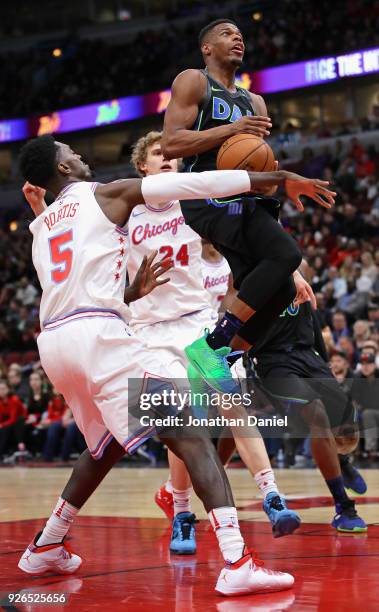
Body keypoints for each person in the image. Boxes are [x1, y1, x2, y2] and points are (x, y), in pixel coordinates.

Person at [16, 133, 321, 595]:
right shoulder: (109, 193)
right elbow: (193, 187)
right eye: (70, 153)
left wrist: (131, 293)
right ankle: (238, 561)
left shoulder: (42, 228)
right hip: (101, 338)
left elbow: (71, 290)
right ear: (62, 170)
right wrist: (272, 177)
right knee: (193, 437)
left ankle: (46, 546)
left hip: (57, 342)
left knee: (105, 447)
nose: (79, 156)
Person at [128, 131, 300, 553]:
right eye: (157, 155)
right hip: (150, 329)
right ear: (143, 168)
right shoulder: (123, 210)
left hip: (198, 324)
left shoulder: (198, 204)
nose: (167, 160)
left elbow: (255, 239)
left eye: (171, 156)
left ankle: (272, 497)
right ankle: (182, 514)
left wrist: (290, 271)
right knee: (181, 421)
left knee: (232, 403)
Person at [162, 18, 335, 391]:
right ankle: (210, 347)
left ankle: (225, 357)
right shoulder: (193, 81)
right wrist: (232, 130)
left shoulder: (253, 101)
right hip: (205, 195)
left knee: (283, 290)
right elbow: (172, 143)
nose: (237, 38)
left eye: (240, 34)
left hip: (242, 196)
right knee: (286, 255)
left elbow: (255, 160)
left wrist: (279, 180)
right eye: (226, 33)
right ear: (206, 48)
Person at [236, 300, 367, 533]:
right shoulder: (249, 275)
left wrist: (323, 363)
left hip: (308, 356)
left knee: (347, 430)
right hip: (273, 360)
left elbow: (312, 320)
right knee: (316, 413)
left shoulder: (295, 274)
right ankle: (344, 507)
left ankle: (341, 462)